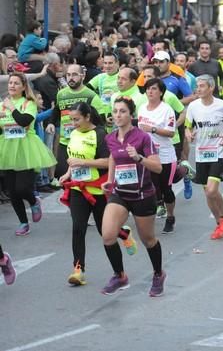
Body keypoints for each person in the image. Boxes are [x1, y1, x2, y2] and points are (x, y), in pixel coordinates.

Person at [100, 96, 165, 296]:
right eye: (115, 111)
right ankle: (119, 276)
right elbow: (113, 156)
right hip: (120, 193)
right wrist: (110, 179)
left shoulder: (142, 138)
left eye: (122, 111)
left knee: (148, 239)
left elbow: (158, 167)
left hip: (142, 194)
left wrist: (139, 158)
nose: (118, 115)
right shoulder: (110, 138)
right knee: (108, 235)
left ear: (131, 114)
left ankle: (158, 274)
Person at [58, 102, 116, 286]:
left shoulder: (99, 134)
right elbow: (74, 157)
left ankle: (119, 266)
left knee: (103, 230)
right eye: (71, 119)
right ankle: (78, 269)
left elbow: (108, 162)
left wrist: (84, 164)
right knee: (78, 227)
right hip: (78, 189)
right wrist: (67, 173)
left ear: (87, 117)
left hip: (98, 190)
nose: (73, 123)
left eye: (76, 119)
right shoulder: (74, 133)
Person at [0, 72, 56, 235]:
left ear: (24, 87)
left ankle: (33, 200)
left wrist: (11, 108)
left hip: (26, 148)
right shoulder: (2, 104)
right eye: (10, 83)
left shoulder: (28, 103)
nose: (12, 86)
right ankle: (23, 223)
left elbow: (25, 121)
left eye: (16, 83)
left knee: (23, 188)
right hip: (7, 148)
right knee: (12, 191)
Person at [185, 74, 223, 239]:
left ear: (211, 88)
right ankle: (220, 223)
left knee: (212, 190)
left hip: (219, 151)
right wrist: (189, 134)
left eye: (202, 86)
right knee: (208, 193)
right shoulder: (193, 106)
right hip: (202, 153)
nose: (198, 89)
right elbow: (187, 127)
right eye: (197, 86)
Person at [137, 78, 181, 233]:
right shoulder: (142, 108)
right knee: (151, 189)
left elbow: (170, 132)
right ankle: (151, 219)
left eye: (154, 89)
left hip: (165, 155)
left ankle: (170, 217)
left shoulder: (166, 109)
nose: (150, 91)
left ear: (161, 92)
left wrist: (152, 129)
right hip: (148, 156)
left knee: (166, 189)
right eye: (148, 88)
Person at [47, 64, 104, 179]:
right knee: (62, 175)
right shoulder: (61, 94)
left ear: (82, 76)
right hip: (65, 141)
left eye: (74, 75)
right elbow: (57, 110)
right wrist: (51, 122)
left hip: (85, 142)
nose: (71, 78)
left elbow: (100, 120)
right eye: (68, 75)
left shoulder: (91, 95)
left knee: (82, 176)